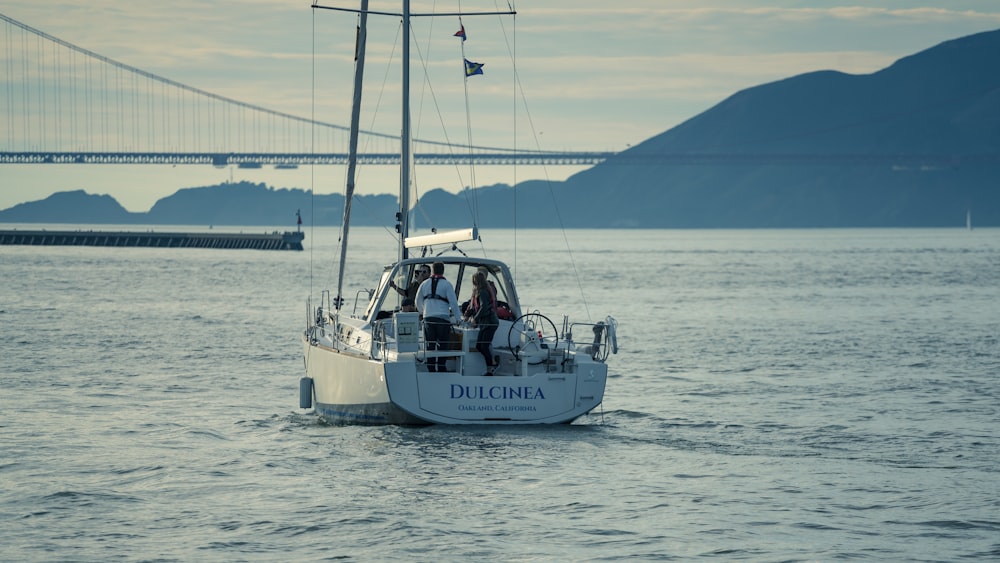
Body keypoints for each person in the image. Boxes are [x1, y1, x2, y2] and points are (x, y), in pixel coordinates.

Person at [415, 262, 460, 372]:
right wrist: (458, 319)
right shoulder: (447, 285)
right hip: (443, 318)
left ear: (433, 271)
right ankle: (441, 367)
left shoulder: (424, 284)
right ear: (443, 271)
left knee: (430, 344)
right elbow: (453, 303)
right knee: (443, 344)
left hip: (428, 318)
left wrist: (423, 312)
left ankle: (430, 368)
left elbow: (417, 301)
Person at [469, 270, 499, 376]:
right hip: (485, 323)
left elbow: (484, 307)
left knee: (484, 346)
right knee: (479, 346)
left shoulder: (482, 292)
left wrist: (475, 319)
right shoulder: (482, 291)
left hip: (490, 323)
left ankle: (490, 369)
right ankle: (493, 361)